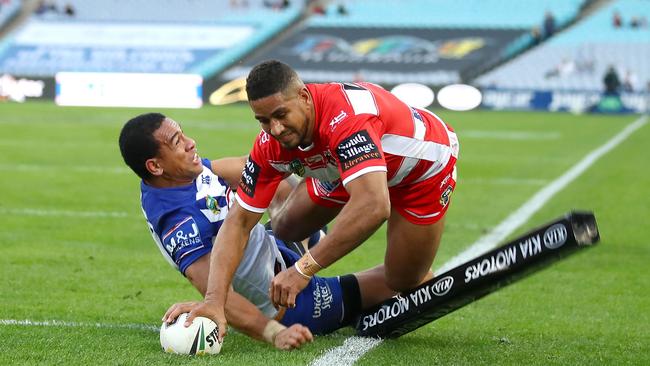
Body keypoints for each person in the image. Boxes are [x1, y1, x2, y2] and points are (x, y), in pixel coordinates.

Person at [168, 60, 459, 342]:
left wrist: (303, 269)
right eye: (264, 120)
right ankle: (307, 239)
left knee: (403, 280)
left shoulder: (346, 118)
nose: (276, 129)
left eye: (281, 115)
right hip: (343, 166)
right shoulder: (270, 143)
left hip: (421, 174)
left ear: (305, 97)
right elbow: (238, 221)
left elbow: (374, 205)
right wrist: (215, 300)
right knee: (284, 227)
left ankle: (330, 258)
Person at [118, 113, 394, 349]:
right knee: (403, 279)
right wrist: (275, 333)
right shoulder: (178, 221)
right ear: (155, 166)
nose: (191, 143)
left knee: (313, 186)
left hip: (277, 249)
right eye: (178, 142)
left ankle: (306, 241)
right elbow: (213, 290)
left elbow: (256, 170)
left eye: (183, 134)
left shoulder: (185, 173)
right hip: (288, 302)